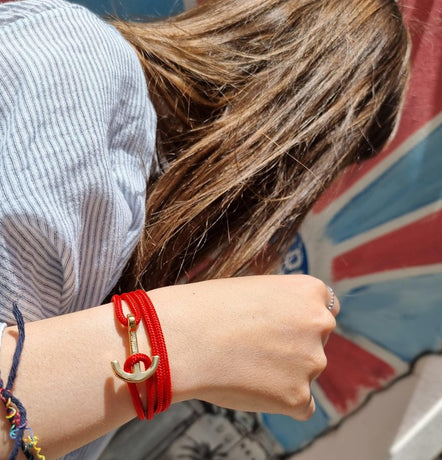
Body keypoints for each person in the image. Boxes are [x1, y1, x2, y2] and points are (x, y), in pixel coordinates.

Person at [0, 0, 410, 458]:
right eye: (322, 172)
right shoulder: (80, 68)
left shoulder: (136, 225)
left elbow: (27, 431)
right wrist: (185, 339)